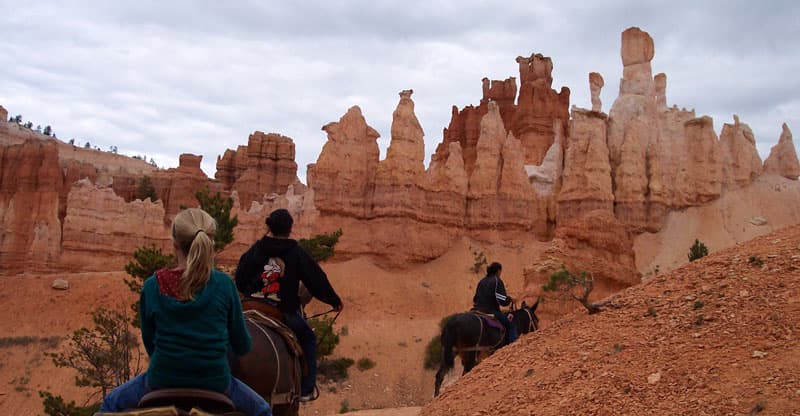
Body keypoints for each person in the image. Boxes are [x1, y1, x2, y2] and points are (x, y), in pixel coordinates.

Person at [100, 208, 271, 416]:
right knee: (263, 410)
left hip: (161, 380)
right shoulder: (224, 285)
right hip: (216, 383)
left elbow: (150, 343)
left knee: (109, 404)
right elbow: (243, 346)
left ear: (174, 244)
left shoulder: (152, 286)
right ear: (210, 242)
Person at [235, 208, 343, 403]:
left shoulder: (256, 250)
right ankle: (306, 390)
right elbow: (315, 278)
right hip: (281, 310)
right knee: (308, 339)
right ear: (290, 229)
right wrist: (333, 300)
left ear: (269, 227)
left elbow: (240, 277)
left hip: (249, 306)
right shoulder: (295, 252)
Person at [472, 261, 518, 345]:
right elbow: (501, 299)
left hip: (477, 310)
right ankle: (512, 348)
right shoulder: (497, 281)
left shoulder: (481, 281)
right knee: (512, 325)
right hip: (491, 310)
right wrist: (510, 299)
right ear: (498, 271)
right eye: (500, 271)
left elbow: (475, 298)